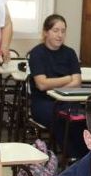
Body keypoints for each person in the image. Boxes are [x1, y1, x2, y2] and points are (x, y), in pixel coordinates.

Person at [28, 14, 85, 157]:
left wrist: (52, 84)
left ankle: (85, 157)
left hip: (67, 101)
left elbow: (77, 82)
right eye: (55, 30)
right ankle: (73, 158)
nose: (60, 35)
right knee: (61, 119)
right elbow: (41, 84)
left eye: (63, 31)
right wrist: (67, 78)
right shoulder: (37, 53)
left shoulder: (70, 53)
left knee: (84, 118)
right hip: (43, 102)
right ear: (45, 32)